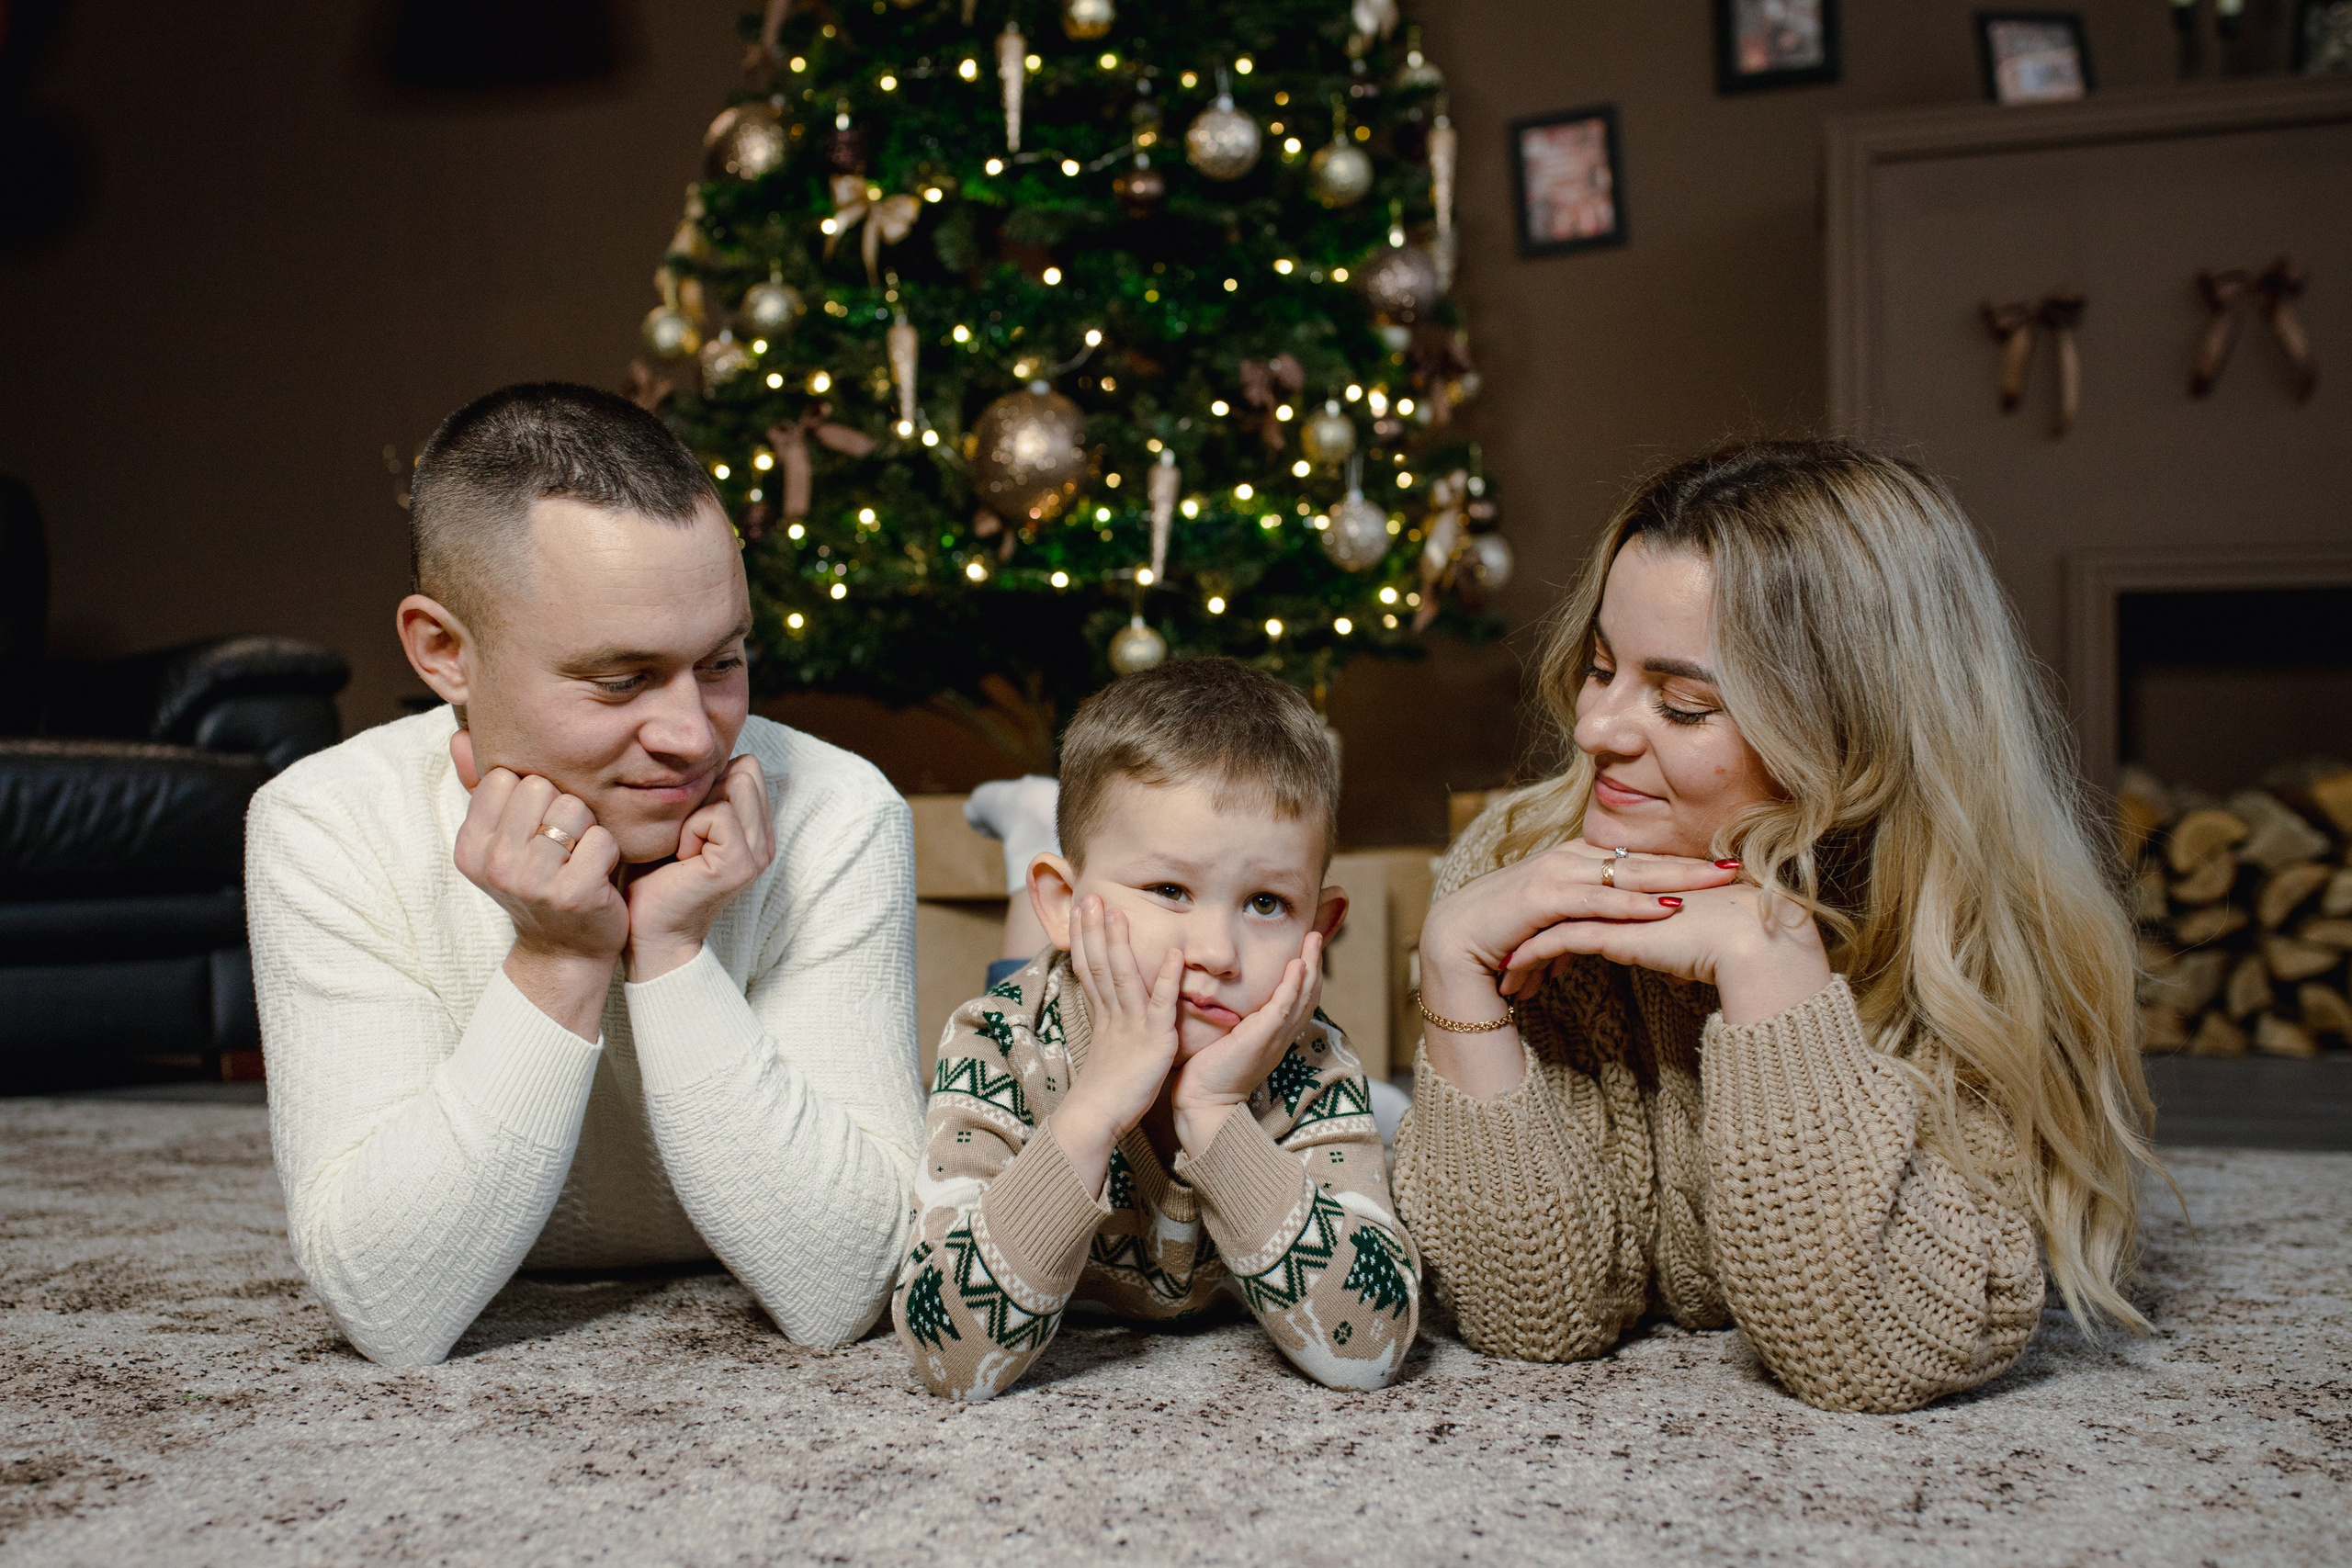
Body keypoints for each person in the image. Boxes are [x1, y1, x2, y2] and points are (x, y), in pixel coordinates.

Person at [1389, 439, 2161, 1414]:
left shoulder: (1975, 935)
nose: (1595, 730)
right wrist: (1453, 969)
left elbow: (1876, 1350)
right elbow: (1535, 1311)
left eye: (1683, 704)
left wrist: (1767, 967)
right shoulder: (1521, 865)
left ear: (1853, 729)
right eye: (1599, 666)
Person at [246, 383, 924, 1367]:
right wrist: (557, 958)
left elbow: (847, 1283)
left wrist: (674, 951)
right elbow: (392, 1310)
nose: (693, 736)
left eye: (723, 662)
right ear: (444, 651)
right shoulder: (327, 822)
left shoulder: (839, 808)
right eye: (620, 680)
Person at [892, 659, 1419, 1399]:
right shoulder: (995, 1043)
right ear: (1065, 901)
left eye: (1266, 902)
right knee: (1023, 974)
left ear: (1319, 928)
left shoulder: (1314, 1062)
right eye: (1170, 888)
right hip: (1054, 1009)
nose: (1217, 952)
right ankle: (1029, 836)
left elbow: (1371, 1345)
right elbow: (947, 1358)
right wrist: (1093, 1108)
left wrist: (1214, 1114)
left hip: (1154, 1008)